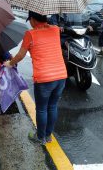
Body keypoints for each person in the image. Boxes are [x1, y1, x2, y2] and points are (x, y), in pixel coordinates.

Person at [4, 11, 67, 145]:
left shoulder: (30, 34)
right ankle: (48, 135)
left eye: (30, 20)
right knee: (53, 106)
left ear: (33, 19)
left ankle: (40, 137)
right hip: (61, 75)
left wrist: (10, 63)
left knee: (42, 108)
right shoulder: (55, 30)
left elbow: (20, 55)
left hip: (44, 78)